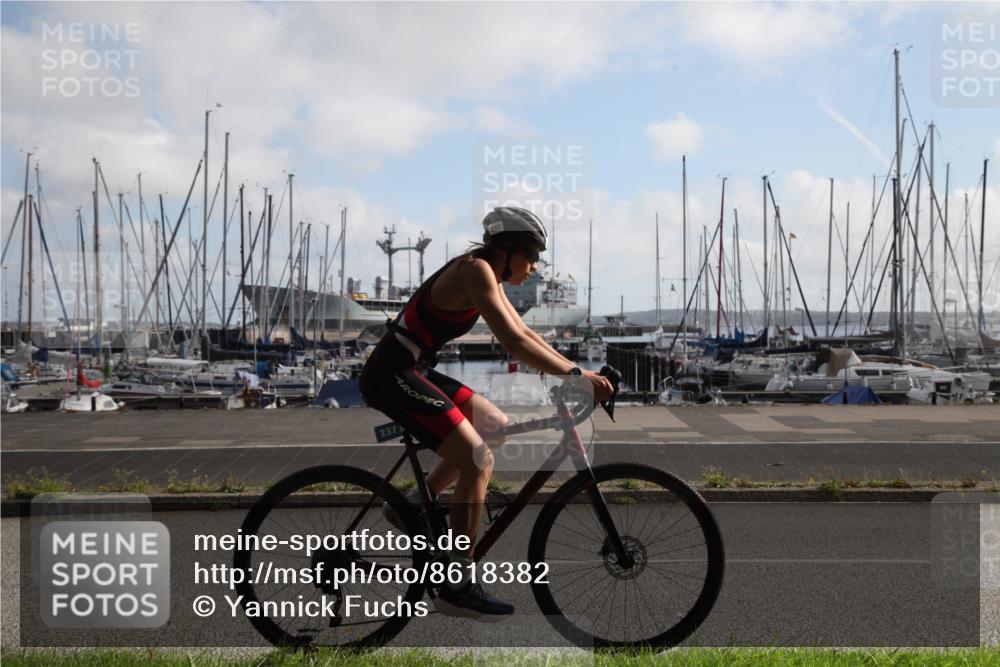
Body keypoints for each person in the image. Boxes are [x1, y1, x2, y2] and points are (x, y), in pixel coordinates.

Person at [359, 206, 614, 621]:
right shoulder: (475, 271)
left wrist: (576, 372)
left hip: (414, 369)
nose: (534, 266)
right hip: (391, 374)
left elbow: (527, 333)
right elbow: (513, 342)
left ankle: (412, 507)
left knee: (494, 427)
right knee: (479, 458)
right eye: (531, 254)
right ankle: (456, 585)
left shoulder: (487, 275)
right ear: (507, 249)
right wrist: (577, 374)